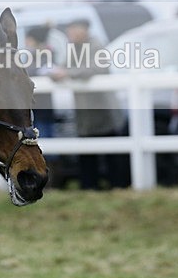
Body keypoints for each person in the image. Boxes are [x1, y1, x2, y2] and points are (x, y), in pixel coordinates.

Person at [49, 19, 128, 190]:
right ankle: (89, 186)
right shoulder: (73, 49)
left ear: (82, 30)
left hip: (103, 111)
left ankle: (117, 186)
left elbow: (96, 68)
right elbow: (62, 68)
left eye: (71, 30)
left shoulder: (95, 45)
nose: (69, 34)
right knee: (87, 154)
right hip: (86, 115)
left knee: (111, 153)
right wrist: (55, 73)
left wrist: (68, 73)